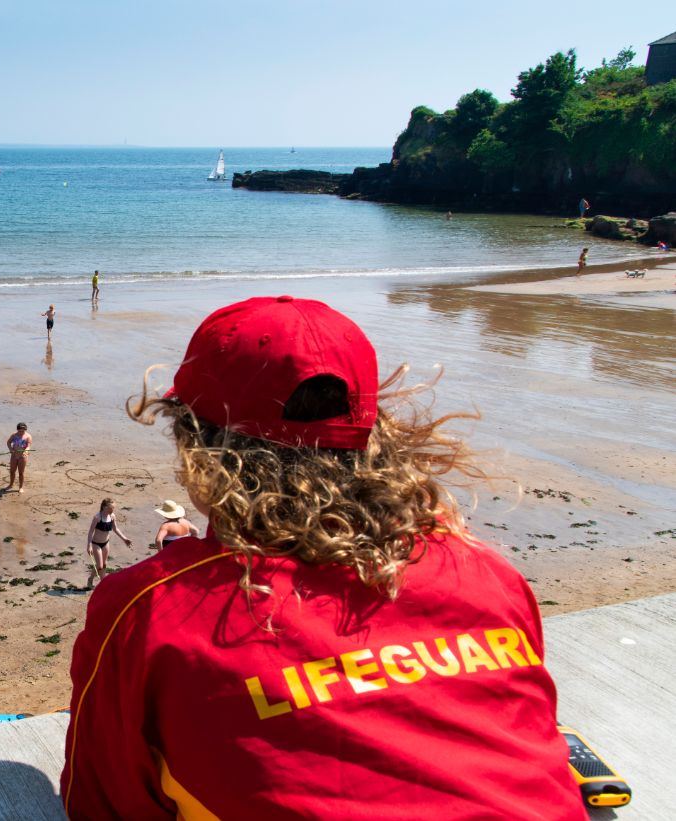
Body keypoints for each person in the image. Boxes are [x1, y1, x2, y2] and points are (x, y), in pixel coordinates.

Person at [60, 295, 585, 820]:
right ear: (378, 438)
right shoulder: (483, 568)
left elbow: (101, 802)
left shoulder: (150, 614)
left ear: (198, 449)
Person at [84, 499, 132, 589]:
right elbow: (90, 532)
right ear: (104, 507)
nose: (113, 510)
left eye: (113, 508)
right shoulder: (97, 517)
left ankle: (103, 583)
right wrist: (89, 545)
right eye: (111, 508)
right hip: (96, 544)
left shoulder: (112, 516)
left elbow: (115, 529)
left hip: (106, 543)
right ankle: (90, 579)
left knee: (104, 564)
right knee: (100, 566)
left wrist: (124, 539)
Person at [4, 422, 32, 492]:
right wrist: (10, 449)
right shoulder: (14, 435)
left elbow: (28, 446)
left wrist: (26, 451)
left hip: (22, 456)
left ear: (25, 429)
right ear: (17, 430)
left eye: (23, 431)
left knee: (21, 472)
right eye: (20, 431)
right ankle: (11, 484)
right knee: (12, 471)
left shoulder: (28, 436)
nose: (21, 432)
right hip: (14, 455)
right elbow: (8, 442)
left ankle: (20, 487)